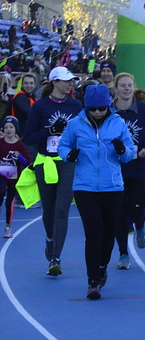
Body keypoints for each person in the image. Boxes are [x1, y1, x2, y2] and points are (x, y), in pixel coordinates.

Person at [58, 85, 135, 299]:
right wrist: (69, 155)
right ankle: (92, 280)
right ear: (87, 107)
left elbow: (130, 153)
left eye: (102, 108)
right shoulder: (75, 124)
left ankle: (102, 266)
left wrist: (122, 150)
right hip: (85, 186)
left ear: (108, 106)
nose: (98, 112)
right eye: (94, 109)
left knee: (108, 233)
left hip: (113, 187)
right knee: (93, 233)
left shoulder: (118, 123)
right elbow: (62, 147)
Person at [24, 66, 82, 276]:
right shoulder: (40, 107)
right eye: (66, 80)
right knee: (48, 209)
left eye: (71, 81)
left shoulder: (76, 106)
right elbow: (28, 137)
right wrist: (50, 131)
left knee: (62, 210)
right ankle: (50, 239)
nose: (70, 84)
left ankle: (56, 258)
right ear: (54, 82)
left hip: (67, 162)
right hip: (46, 162)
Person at [111, 73, 145, 269]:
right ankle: (123, 254)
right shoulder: (108, 111)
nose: (126, 88)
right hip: (115, 169)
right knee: (119, 213)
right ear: (116, 88)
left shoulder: (144, 110)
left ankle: (139, 225)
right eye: (122, 85)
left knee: (137, 207)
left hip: (139, 168)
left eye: (129, 85)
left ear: (134, 87)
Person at [0, 116, 30, 237]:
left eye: (11, 127)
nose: (8, 129)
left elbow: (28, 162)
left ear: (15, 129)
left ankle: (8, 227)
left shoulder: (19, 145)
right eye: (6, 127)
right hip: (1, 174)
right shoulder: (1, 143)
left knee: (9, 203)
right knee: (0, 192)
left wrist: (20, 157)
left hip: (13, 176)